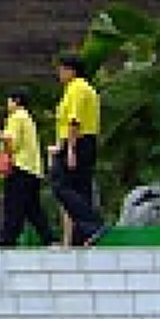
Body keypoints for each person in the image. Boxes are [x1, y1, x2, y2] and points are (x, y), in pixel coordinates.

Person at [50, 55, 107, 248]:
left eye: (62, 70)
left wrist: (70, 149)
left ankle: (92, 224)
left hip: (77, 141)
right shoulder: (83, 89)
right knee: (81, 188)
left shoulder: (77, 89)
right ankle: (82, 236)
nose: (59, 74)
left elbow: (74, 121)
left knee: (60, 184)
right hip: (83, 141)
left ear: (71, 71)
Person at [0, 93, 55, 248]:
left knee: (14, 205)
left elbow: (11, 143)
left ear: (16, 102)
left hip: (20, 167)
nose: (7, 104)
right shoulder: (27, 118)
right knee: (32, 208)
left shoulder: (16, 117)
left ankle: (8, 239)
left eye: (9, 101)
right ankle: (48, 238)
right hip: (32, 169)